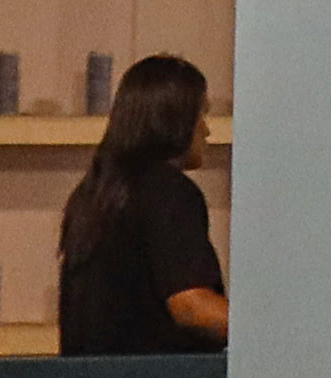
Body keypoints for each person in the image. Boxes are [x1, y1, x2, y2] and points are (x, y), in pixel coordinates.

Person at [54, 52, 229, 354]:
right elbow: (191, 305)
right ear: (175, 119)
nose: (206, 129)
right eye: (201, 114)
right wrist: (272, 334)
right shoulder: (170, 192)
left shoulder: (92, 194)